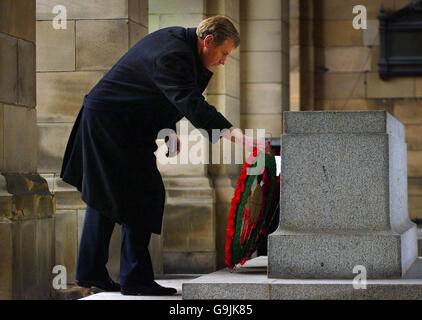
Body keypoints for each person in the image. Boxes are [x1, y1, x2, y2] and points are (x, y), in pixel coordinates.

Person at [60, 15, 263, 296]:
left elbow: (156, 90)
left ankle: (92, 271)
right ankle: (135, 280)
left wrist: (168, 128)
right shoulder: (175, 52)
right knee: (146, 192)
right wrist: (235, 134)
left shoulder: (178, 44)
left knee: (105, 194)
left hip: (115, 121)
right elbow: (189, 100)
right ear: (207, 42)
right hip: (111, 123)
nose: (224, 61)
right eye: (224, 53)